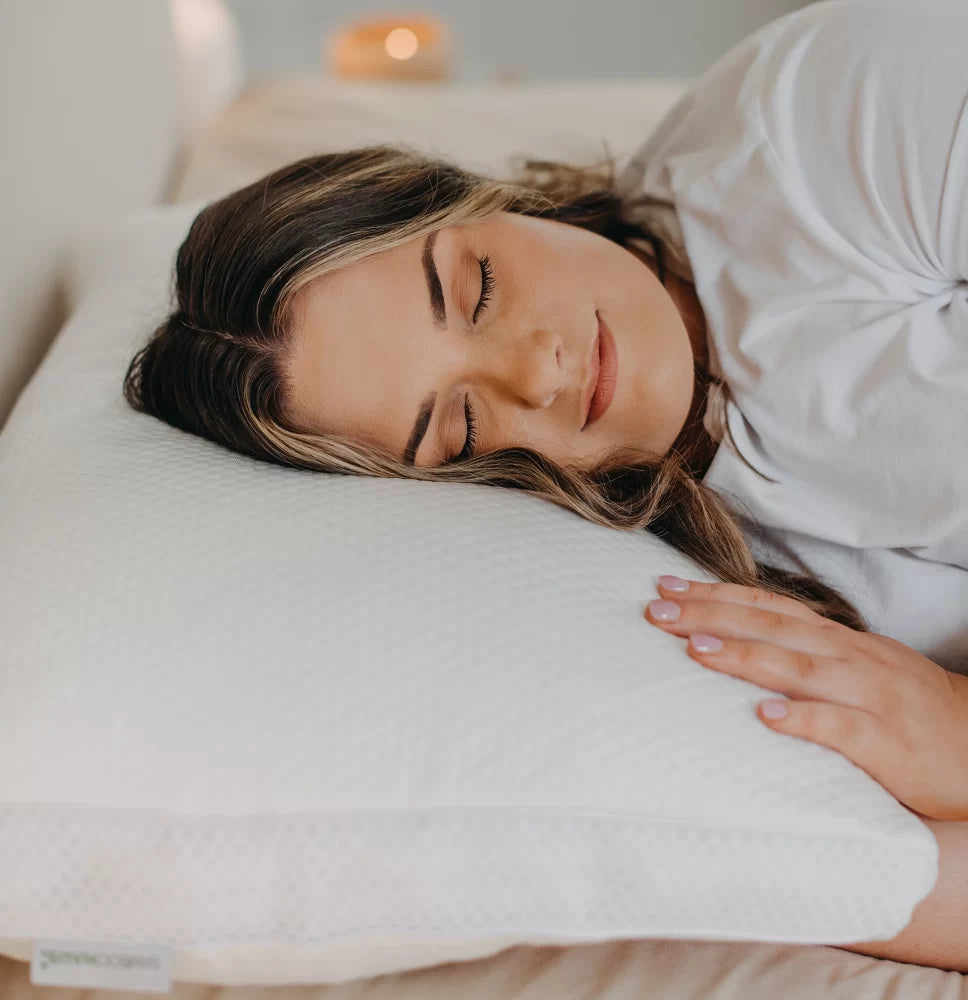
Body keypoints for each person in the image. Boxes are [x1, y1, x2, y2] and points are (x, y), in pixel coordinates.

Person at [123, 0, 968, 971]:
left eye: (477, 288)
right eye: (462, 426)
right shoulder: (678, 596)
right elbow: (892, 886)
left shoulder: (828, 122)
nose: (537, 370)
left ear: (482, 201)